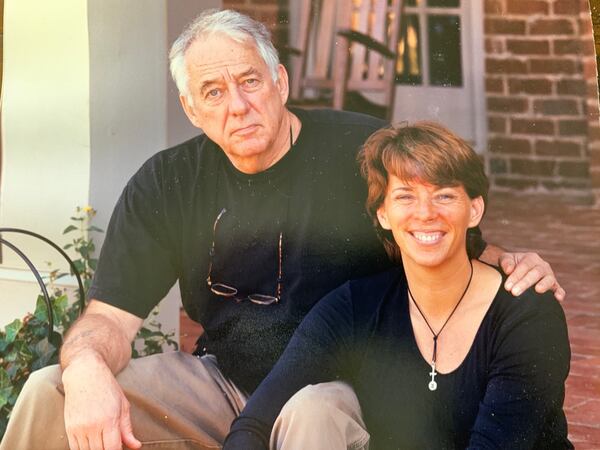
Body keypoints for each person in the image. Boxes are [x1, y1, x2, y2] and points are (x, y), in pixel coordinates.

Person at [0, 10, 565, 450]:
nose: (239, 106)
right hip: (224, 381)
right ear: (191, 107)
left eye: (250, 81)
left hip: (339, 384)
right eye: (214, 93)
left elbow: (436, 222)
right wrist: (89, 367)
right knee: (49, 391)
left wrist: (510, 262)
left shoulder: (358, 150)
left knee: (311, 414)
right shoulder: (168, 182)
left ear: (280, 80)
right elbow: (105, 319)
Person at [223, 122, 572, 450]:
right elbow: (253, 424)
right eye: (405, 196)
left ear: (475, 209)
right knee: (311, 407)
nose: (425, 213)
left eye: (445, 195)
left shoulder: (527, 316)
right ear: (383, 214)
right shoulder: (356, 306)